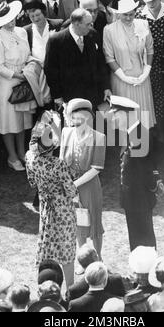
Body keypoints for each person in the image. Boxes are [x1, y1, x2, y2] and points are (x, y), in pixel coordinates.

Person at [26, 111, 78, 287]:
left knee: (46, 248)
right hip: (62, 209)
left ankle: (45, 288)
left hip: (45, 208)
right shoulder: (59, 165)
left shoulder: (30, 158)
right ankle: (71, 290)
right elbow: (71, 191)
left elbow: (32, 182)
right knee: (67, 250)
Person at [106, 96, 164, 250]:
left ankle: (146, 268)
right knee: (136, 236)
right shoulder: (131, 133)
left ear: (126, 114)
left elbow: (147, 166)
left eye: (115, 115)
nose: (112, 120)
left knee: (144, 237)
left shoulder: (139, 135)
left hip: (140, 197)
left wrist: (154, 186)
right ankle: (140, 267)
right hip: (132, 198)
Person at [60, 99, 106, 259]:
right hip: (69, 185)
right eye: (76, 119)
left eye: (85, 119)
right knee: (78, 222)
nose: (81, 123)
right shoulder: (66, 133)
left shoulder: (99, 137)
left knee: (94, 223)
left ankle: (98, 257)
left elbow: (96, 168)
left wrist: (74, 184)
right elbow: (61, 162)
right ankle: (83, 258)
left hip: (89, 187)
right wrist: (66, 184)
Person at [0, 1, 33, 172]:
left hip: (24, 79)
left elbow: (28, 54)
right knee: (9, 122)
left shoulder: (22, 32)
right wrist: (17, 75)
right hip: (8, 83)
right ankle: (12, 156)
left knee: (22, 120)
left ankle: (22, 153)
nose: (11, 22)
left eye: (13, 18)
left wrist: (30, 69)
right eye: (7, 20)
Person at [103, 0, 156, 129]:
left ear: (135, 12)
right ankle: (125, 148)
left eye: (131, 14)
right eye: (125, 15)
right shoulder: (109, 30)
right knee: (124, 118)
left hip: (141, 78)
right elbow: (109, 57)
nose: (128, 18)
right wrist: (124, 78)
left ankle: (142, 147)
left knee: (142, 115)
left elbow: (150, 49)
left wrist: (146, 72)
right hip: (122, 79)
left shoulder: (143, 24)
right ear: (119, 14)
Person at [45, 9, 111, 109]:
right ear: (76, 24)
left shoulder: (93, 34)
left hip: (94, 94)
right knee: (77, 124)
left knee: (99, 124)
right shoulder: (56, 40)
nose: (90, 27)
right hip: (70, 97)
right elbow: (50, 71)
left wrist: (106, 86)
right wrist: (57, 96)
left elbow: (101, 62)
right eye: (88, 24)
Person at [136, 0, 164, 143]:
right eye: (148, 1)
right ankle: (156, 129)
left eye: (154, 0)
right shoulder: (139, 15)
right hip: (148, 62)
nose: (151, 4)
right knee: (151, 95)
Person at [23, 0, 64, 115]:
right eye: (32, 16)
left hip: (57, 73)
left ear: (44, 13)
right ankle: (46, 132)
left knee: (59, 108)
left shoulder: (58, 24)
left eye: (37, 15)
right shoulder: (26, 31)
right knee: (44, 111)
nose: (35, 19)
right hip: (38, 76)